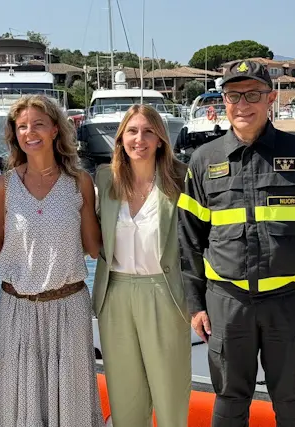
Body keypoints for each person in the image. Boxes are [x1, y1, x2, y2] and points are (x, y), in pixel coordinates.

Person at [177, 59, 295, 427]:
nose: (243, 104)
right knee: (230, 400)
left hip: (288, 303)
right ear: (223, 101)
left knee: (293, 400)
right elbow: (188, 241)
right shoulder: (204, 160)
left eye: (253, 94)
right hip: (227, 304)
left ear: (270, 99)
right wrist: (195, 305)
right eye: (234, 95)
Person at [0, 94, 103, 427]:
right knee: (16, 403)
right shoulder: (2, 186)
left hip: (68, 308)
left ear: (55, 129)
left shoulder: (79, 182)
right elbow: (1, 246)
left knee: (73, 403)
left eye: (38, 123)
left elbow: (93, 246)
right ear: (14, 134)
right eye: (22, 126)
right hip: (18, 309)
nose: (30, 132)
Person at [92, 104, 191, 426]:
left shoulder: (181, 179)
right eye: (132, 131)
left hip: (165, 293)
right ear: (120, 139)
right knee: (124, 397)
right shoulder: (106, 180)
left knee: (170, 393)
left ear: (161, 139)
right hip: (115, 295)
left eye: (149, 131)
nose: (140, 139)